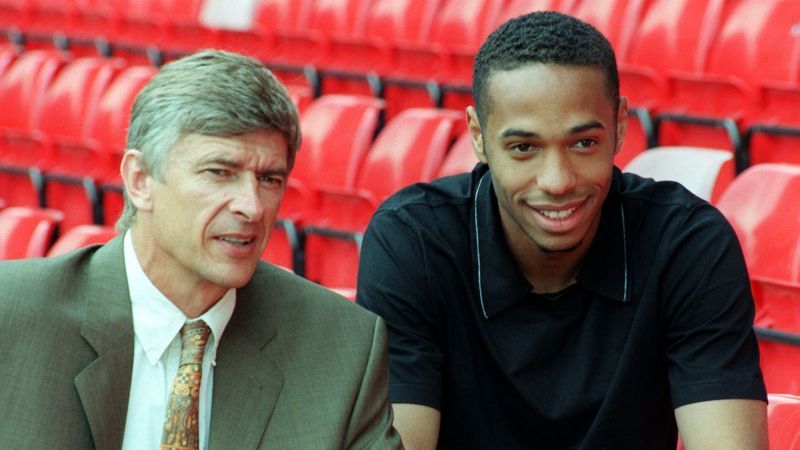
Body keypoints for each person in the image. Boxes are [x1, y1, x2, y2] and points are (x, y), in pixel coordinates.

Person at [356, 11, 767, 450]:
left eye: (583, 144)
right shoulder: (413, 241)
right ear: (478, 135)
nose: (557, 181)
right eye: (524, 148)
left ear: (621, 125)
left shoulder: (687, 244)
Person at [0, 50, 401, 449]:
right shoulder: (14, 316)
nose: (252, 206)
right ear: (140, 180)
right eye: (219, 172)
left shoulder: (341, 347)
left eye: (269, 179)